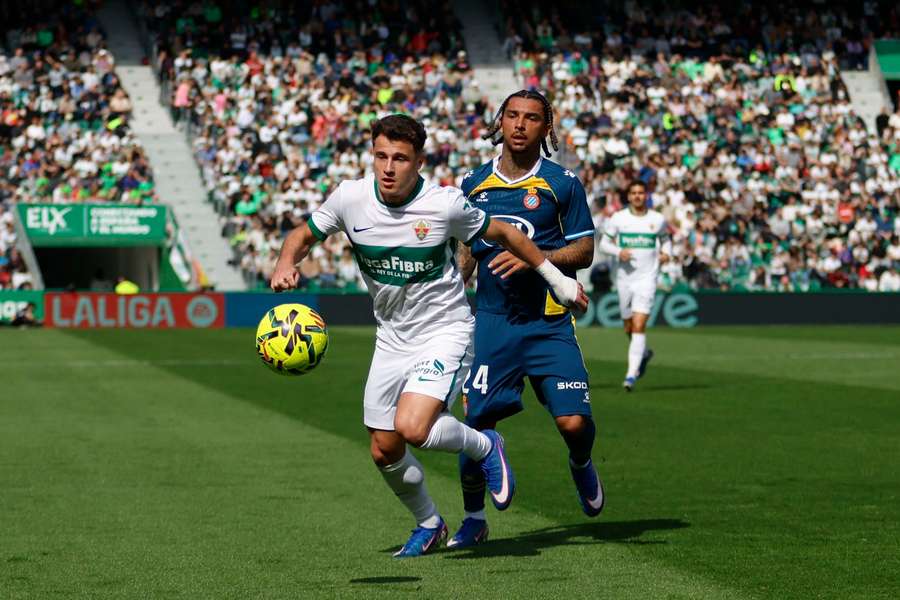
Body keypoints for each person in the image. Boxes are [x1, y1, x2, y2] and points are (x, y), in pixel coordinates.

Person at [270, 114, 588, 558]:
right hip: (391, 338)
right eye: (380, 156)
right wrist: (287, 262)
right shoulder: (349, 198)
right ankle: (429, 523)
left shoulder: (445, 205)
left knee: (412, 427)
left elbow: (504, 234)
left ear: (418, 162)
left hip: (446, 331)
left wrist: (556, 278)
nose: (387, 167)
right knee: (384, 449)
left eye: (399, 158)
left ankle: (485, 444)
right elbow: (302, 235)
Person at [449, 90, 603, 550]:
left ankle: (580, 463)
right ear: (500, 122)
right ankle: (473, 518)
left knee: (574, 425)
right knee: (476, 425)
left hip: (549, 323)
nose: (520, 124)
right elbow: (464, 254)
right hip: (494, 323)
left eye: (531, 118)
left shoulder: (562, 183)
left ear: (546, 128)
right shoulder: (471, 184)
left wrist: (537, 260)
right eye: (512, 115)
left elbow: (585, 249)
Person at [600, 180, 671, 391]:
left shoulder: (657, 219)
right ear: (629, 196)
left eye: (641, 192)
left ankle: (631, 375)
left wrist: (667, 252)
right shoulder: (619, 218)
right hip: (624, 279)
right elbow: (604, 243)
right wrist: (618, 252)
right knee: (629, 326)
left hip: (647, 278)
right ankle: (644, 353)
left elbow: (665, 239)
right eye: (634, 193)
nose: (638, 196)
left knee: (639, 325)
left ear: (646, 196)